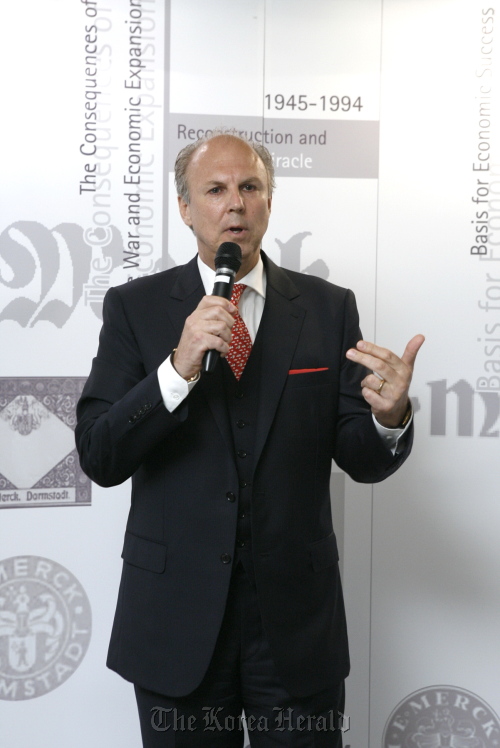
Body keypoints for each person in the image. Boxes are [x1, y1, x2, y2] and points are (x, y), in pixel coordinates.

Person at [76, 132, 424, 747]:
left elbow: (360, 457)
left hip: (294, 626)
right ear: (186, 208)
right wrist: (176, 368)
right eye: (216, 189)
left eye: (250, 187)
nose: (235, 203)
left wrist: (388, 417)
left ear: (268, 202)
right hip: (175, 621)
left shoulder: (326, 308)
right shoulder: (136, 309)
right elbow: (101, 456)